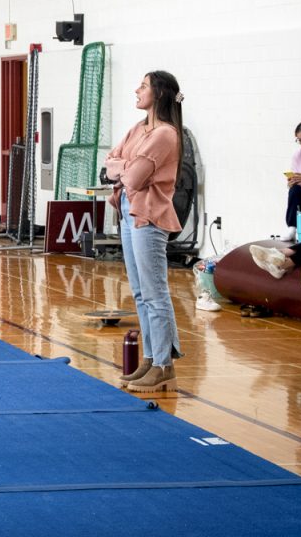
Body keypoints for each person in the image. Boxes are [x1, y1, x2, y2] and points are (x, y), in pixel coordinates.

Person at [104, 71, 184, 394]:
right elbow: (109, 163)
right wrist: (124, 168)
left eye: (144, 86)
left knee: (155, 293)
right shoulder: (138, 129)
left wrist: (123, 169)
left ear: (160, 94)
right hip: (126, 212)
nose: (136, 90)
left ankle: (164, 365)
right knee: (139, 293)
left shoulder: (165, 135)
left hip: (149, 216)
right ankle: (151, 359)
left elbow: (134, 179)